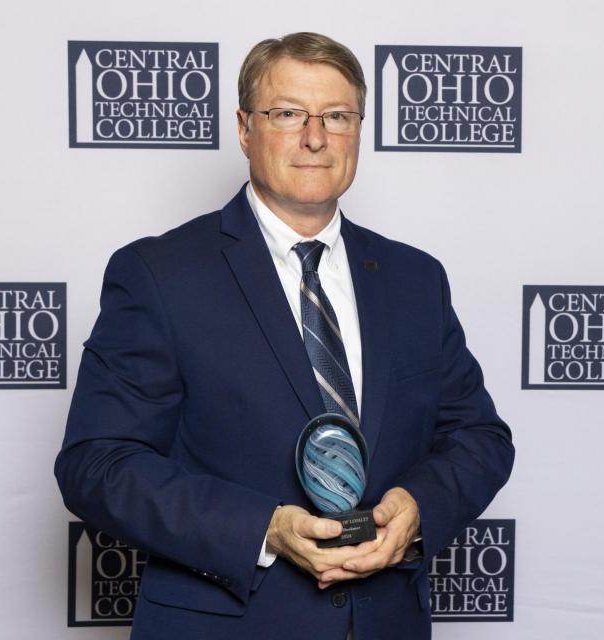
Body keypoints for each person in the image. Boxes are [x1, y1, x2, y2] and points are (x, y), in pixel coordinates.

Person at [55, 32, 514, 640]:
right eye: (288, 113)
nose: (316, 137)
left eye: (338, 116)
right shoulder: (160, 275)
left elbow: (479, 437)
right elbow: (98, 463)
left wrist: (418, 507)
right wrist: (262, 529)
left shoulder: (414, 279)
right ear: (245, 129)